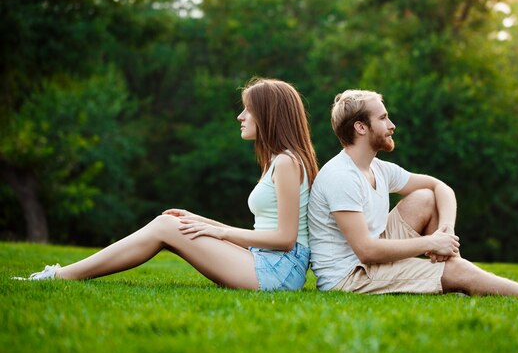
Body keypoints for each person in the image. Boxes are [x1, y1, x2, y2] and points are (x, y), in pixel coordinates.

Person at [13, 78, 318, 291]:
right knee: (172, 222)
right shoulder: (279, 160)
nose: (240, 116)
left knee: (164, 227)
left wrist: (220, 231)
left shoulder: (287, 162)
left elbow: (285, 238)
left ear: (268, 114)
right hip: (268, 262)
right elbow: (266, 232)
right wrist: (199, 220)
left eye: (248, 109)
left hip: (279, 272)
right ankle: (62, 275)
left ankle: (61, 275)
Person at [307, 89, 518, 296]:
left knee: (425, 196)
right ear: (360, 127)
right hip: (350, 276)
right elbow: (367, 251)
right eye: (383, 118)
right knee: (456, 271)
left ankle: (450, 268)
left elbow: (441, 188)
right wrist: (431, 241)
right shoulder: (340, 176)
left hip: (370, 257)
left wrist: (445, 235)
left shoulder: (379, 169)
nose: (392, 125)